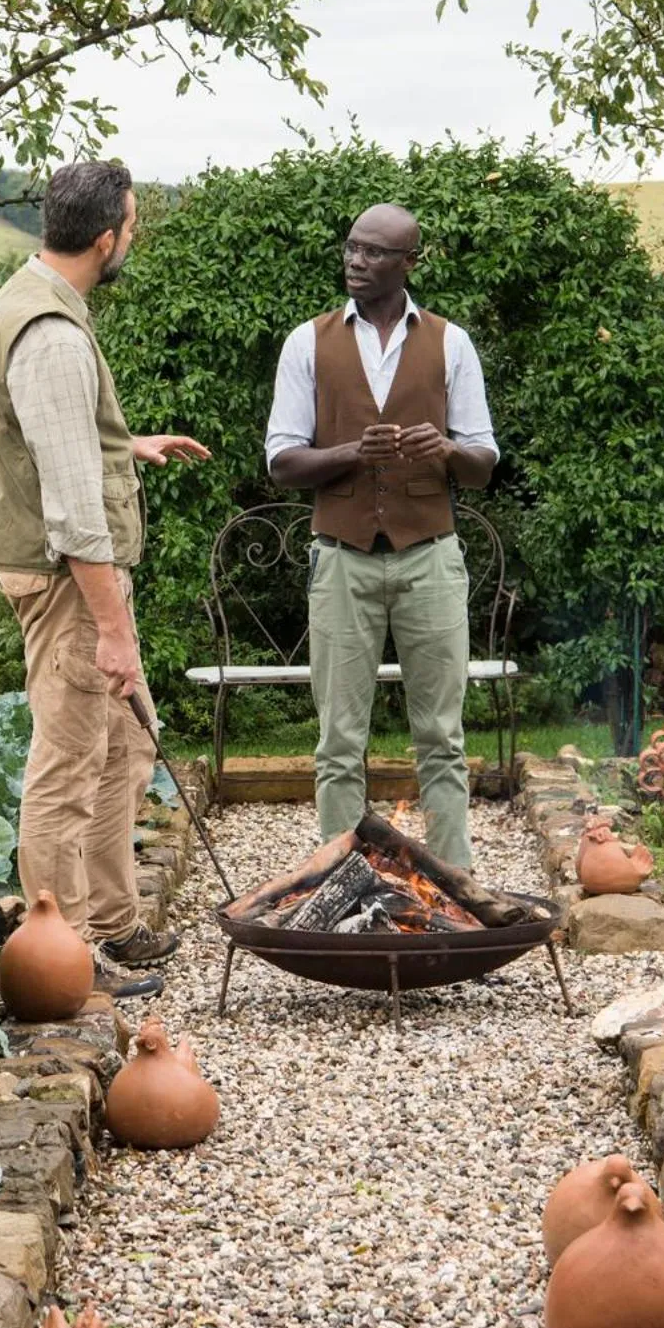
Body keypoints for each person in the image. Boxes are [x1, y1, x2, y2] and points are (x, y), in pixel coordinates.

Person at [0, 160, 210, 998]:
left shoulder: (31, 296)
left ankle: (112, 923)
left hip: (68, 571)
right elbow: (73, 513)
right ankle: (63, 951)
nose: (131, 240)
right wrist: (112, 627)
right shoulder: (55, 337)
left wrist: (125, 444)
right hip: (70, 578)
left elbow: (54, 444)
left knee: (124, 742)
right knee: (71, 758)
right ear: (105, 239)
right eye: (133, 228)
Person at [264, 203, 499, 870]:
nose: (355, 261)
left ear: (407, 263)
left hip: (430, 558)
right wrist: (351, 454)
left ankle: (455, 881)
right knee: (338, 741)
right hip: (340, 560)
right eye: (350, 248)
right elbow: (281, 462)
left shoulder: (449, 343)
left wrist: (448, 449)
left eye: (372, 252)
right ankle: (340, 880)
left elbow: (483, 466)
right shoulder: (305, 342)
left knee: (441, 737)